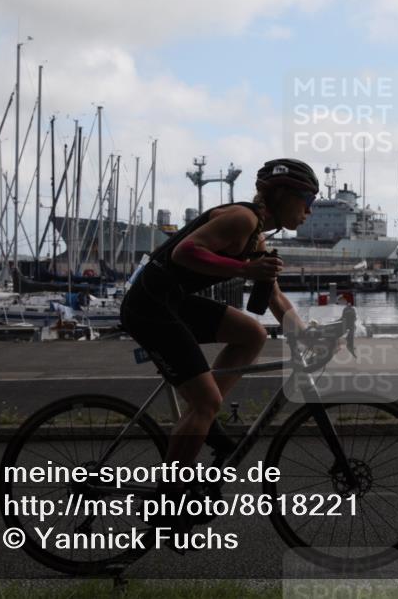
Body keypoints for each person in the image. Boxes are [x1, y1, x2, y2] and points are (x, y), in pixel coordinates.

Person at [119, 158, 318, 491]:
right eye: (307, 201)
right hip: (148, 306)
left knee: (252, 333)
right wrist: (244, 270)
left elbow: (275, 298)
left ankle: (205, 420)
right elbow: (185, 252)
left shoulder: (256, 236)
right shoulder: (243, 219)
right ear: (283, 195)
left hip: (172, 300)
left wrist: (308, 335)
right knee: (205, 401)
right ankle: (170, 498)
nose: (309, 211)